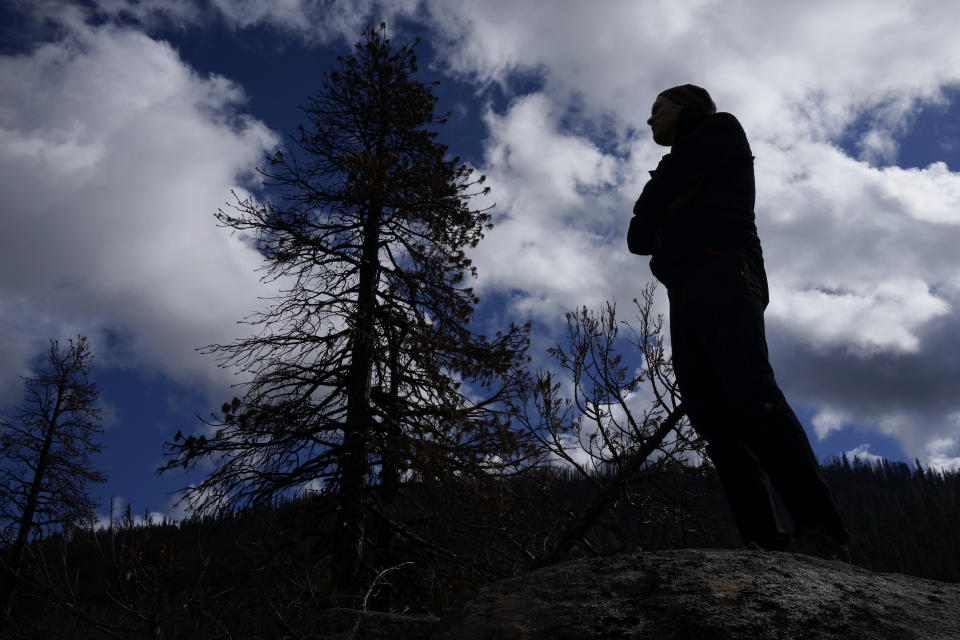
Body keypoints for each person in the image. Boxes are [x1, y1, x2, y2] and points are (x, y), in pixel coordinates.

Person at [628, 84, 849, 560]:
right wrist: (669, 198)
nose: (650, 121)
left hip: (726, 268)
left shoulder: (720, 128)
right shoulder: (676, 163)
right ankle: (763, 540)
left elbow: (653, 206)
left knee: (751, 393)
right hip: (684, 289)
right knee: (711, 414)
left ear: (685, 107)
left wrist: (664, 199)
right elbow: (637, 236)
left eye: (657, 109)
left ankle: (821, 530)